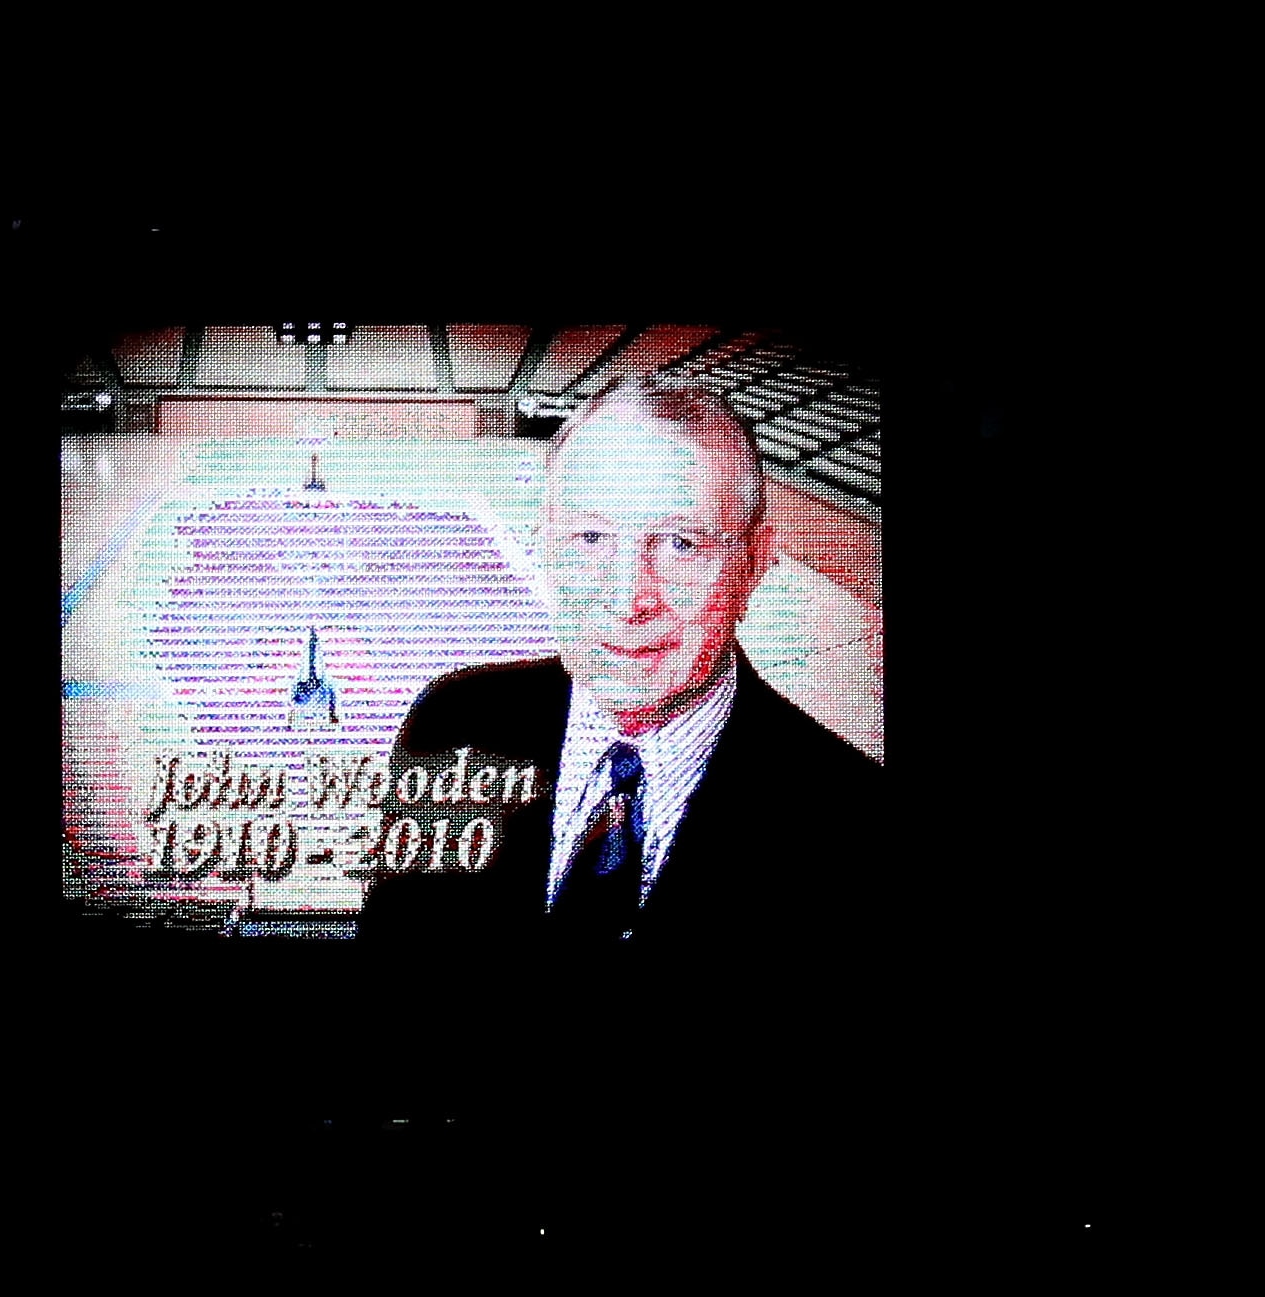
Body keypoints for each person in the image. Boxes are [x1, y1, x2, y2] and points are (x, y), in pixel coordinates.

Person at [355, 379, 885, 949]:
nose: (629, 597)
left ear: (754, 564)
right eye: (590, 538)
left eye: (681, 543)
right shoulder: (453, 725)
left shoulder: (856, 825)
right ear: (543, 547)